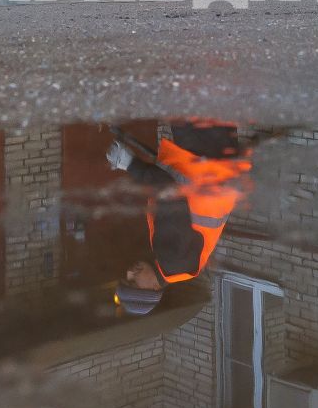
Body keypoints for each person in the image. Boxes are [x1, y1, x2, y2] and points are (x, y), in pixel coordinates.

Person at [108, 122, 256, 316]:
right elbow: (169, 191)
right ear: (153, 288)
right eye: (133, 282)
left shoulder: (177, 268)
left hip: (213, 163)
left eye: (125, 278)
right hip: (202, 156)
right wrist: (130, 164)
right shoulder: (172, 258)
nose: (129, 273)